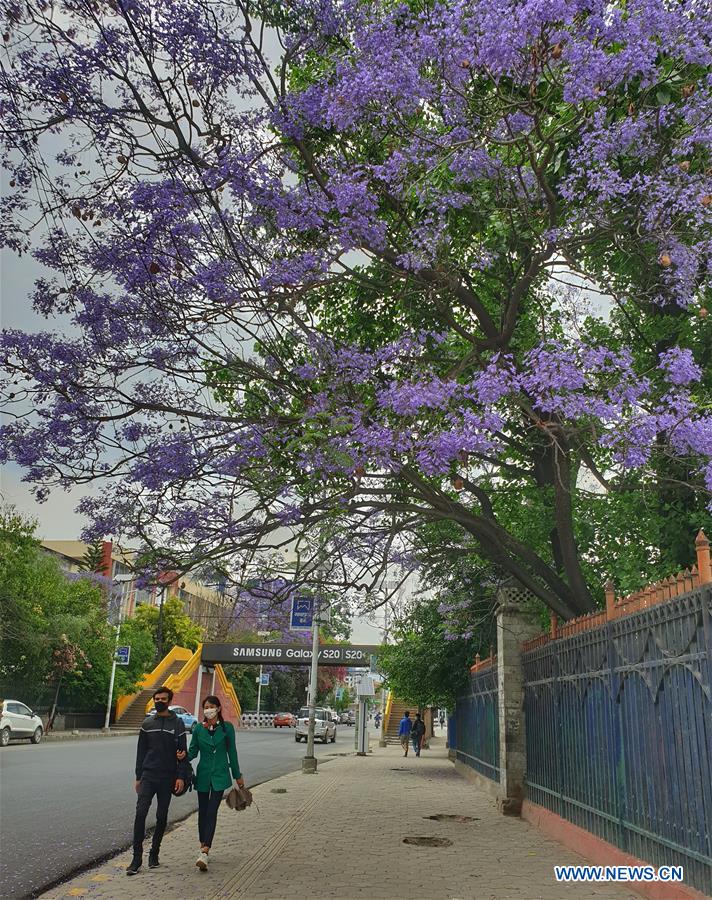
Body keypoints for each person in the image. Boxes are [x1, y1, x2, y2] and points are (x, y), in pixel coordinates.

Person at [127, 686, 186, 876]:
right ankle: (136, 859)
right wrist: (138, 777)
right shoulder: (147, 723)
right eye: (157, 698)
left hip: (167, 777)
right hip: (148, 776)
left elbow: (183, 754)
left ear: (169, 701)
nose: (159, 701)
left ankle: (155, 852)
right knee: (140, 813)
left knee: (161, 817)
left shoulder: (177, 724)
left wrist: (181, 777)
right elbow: (140, 752)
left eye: (163, 698)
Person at [188, 695, 244, 872]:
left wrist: (238, 776)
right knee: (202, 812)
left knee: (212, 811)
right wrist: (181, 757)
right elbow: (193, 752)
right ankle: (202, 844)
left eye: (212, 706)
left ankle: (205, 850)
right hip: (203, 775)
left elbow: (232, 753)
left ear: (218, 709)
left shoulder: (227, 729)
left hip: (220, 776)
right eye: (206, 706)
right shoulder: (198, 729)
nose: (208, 709)